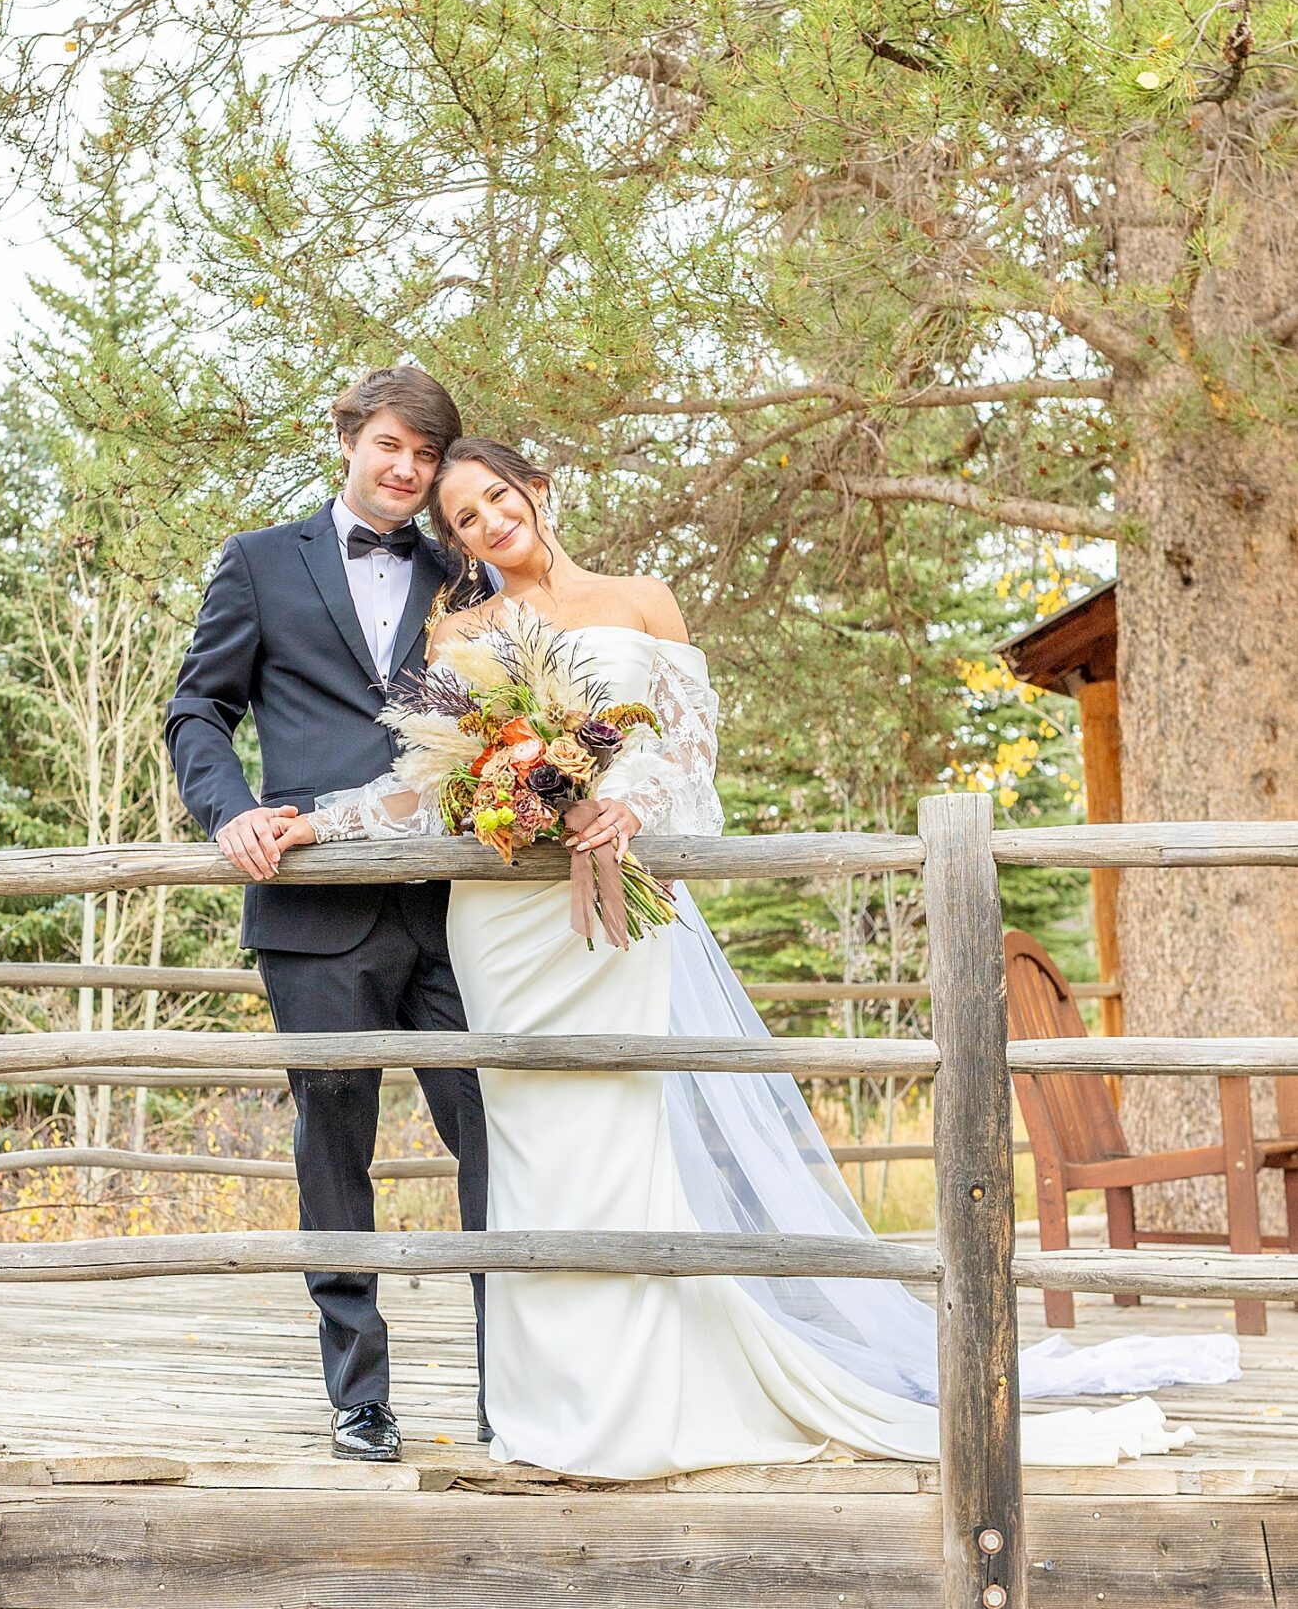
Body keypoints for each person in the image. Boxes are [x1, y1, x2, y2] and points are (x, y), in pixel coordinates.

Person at [274, 435, 1239, 1479]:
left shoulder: (644, 598)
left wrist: (623, 801)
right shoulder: (462, 628)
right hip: (506, 925)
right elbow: (432, 782)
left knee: (625, 1132)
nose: (487, 525)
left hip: (611, 914)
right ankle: (552, 1404)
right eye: (463, 519)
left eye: (497, 499)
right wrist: (324, 825)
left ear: (538, 491)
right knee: (536, 1149)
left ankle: (654, 1396)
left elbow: (692, 762)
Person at [165, 367, 490, 1464]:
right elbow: (197, 708)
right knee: (333, 1149)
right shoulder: (260, 562)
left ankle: (519, 1382)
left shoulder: (466, 574)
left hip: (459, 906)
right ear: (347, 436)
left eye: (428, 456)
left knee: (497, 1137)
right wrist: (231, 812)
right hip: (313, 913)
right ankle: (359, 1397)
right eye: (391, 445)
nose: (409, 470)